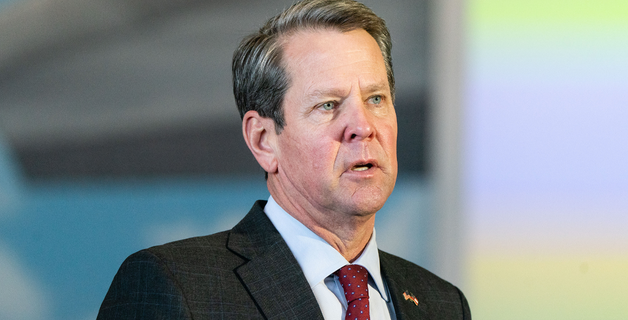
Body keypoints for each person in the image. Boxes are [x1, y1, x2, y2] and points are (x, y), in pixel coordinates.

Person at [96, 0, 470, 319]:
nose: (363, 126)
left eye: (376, 99)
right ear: (263, 140)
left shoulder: (442, 303)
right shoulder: (177, 287)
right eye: (328, 105)